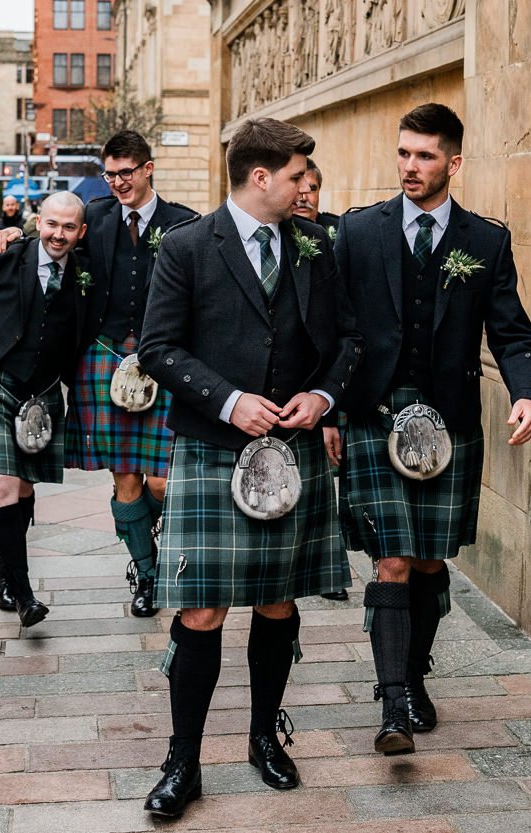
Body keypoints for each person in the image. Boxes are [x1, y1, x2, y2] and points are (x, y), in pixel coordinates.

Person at [137, 117, 362, 818]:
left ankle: (265, 735)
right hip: (212, 446)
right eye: (297, 175)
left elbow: (351, 338)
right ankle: (184, 760)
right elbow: (157, 348)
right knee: (202, 609)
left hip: (291, 451)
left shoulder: (316, 246)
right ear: (259, 176)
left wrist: (321, 395)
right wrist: (229, 401)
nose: (307, 187)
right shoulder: (186, 247)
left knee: (276, 600)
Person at [325, 103, 531, 756]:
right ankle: (393, 702)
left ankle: (415, 673)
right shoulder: (359, 232)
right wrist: (331, 408)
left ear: (453, 162)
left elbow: (510, 329)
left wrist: (527, 390)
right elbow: (337, 330)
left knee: (426, 561)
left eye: (423, 155)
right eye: (403, 153)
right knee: (390, 558)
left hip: (449, 419)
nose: (409, 166)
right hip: (373, 413)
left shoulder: (484, 240)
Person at [0, 130, 196, 618]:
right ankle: (148, 576)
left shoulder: (183, 223)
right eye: (111, 173)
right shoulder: (96, 216)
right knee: (126, 477)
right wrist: (13, 233)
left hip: (163, 360)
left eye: (128, 172)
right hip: (103, 357)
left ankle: (153, 543)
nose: (119, 182)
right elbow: (53, 241)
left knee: (165, 481)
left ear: (149, 169)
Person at [0, 192, 89, 626]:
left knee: (22, 489)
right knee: (1, 484)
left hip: (42, 392)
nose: (58, 234)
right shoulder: (10, 253)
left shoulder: (83, 272)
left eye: (69, 227)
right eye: (52, 224)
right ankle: (23, 594)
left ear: (81, 231)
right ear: (39, 221)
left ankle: (5, 572)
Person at [296, 159, 350, 603]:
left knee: (329, 480)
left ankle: (329, 567)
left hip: (332, 387)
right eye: (297, 185)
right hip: (287, 393)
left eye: (311, 187)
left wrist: (332, 406)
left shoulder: (335, 238)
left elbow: (349, 329)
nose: (303, 196)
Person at [293, 158, 340, 234]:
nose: (303, 198)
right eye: (298, 189)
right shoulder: (275, 234)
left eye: (312, 189)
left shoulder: (339, 230)